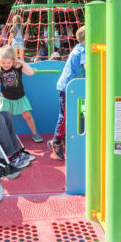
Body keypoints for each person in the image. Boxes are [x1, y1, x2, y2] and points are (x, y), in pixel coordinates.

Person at [47, 26, 86, 160]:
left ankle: (63, 140)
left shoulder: (78, 48)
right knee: (65, 116)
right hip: (68, 87)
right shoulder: (84, 50)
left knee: (76, 114)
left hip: (72, 86)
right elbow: (88, 67)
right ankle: (56, 141)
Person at [0, 46, 43, 143]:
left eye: (9, 62)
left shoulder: (18, 68)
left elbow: (31, 72)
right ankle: (1, 137)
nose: (6, 65)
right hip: (5, 99)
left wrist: (22, 62)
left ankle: (35, 133)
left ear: (13, 60)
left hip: (20, 98)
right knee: (0, 118)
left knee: (28, 116)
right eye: (3, 63)